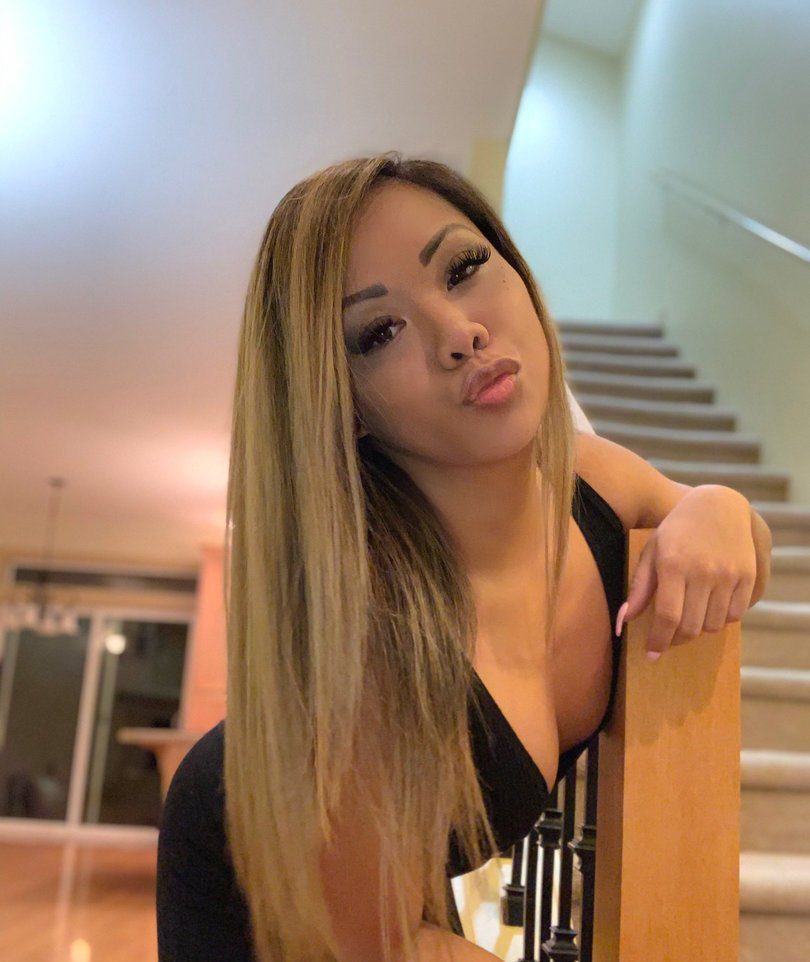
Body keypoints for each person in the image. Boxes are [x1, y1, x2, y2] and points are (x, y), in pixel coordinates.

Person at [156, 152, 768, 962]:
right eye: (379, 333)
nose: (458, 334)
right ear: (344, 405)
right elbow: (374, 949)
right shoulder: (368, 641)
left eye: (463, 267)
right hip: (263, 907)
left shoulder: (587, 481)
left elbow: (728, 536)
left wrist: (718, 507)